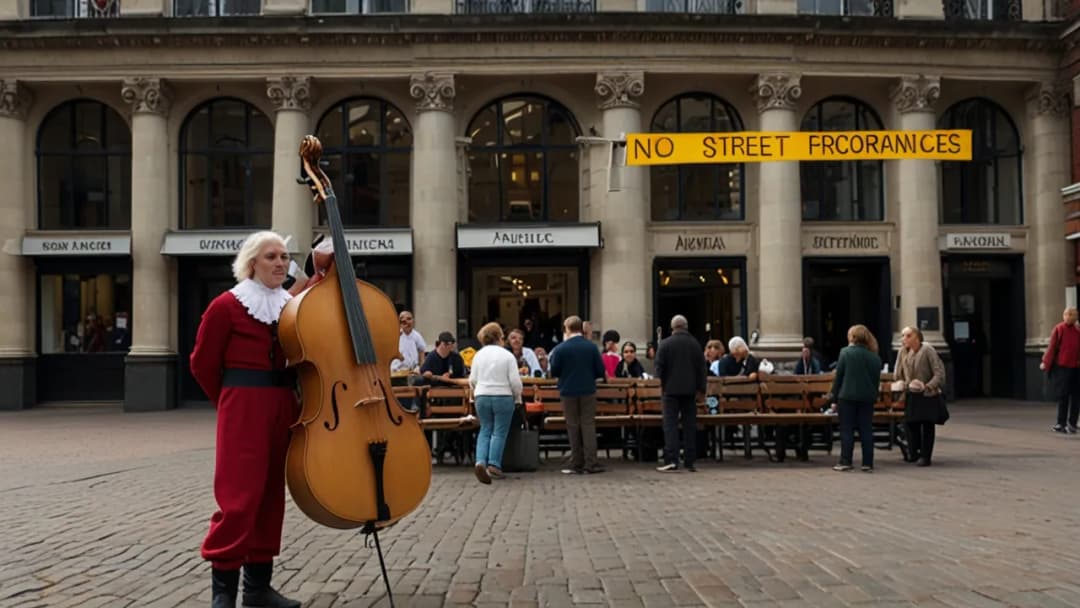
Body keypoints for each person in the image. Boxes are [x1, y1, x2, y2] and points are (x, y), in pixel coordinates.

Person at [189, 231, 301, 608]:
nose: (280, 263)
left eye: (285, 256)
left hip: (283, 405)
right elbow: (202, 363)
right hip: (243, 405)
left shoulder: (293, 306)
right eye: (271, 256)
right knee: (238, 498)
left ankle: (257, 590)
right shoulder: (226, 305)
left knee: (270, 496)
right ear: (253, 262)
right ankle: (223, 594)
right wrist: (230, 401)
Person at [549, 315, 607, 474]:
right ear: (581, 328)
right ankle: (591, 462)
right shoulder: (591, 347)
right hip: (588, 389)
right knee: (588, 425)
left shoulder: (560, 349)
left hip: (568, 391)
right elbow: (600, 371)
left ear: (566, 329)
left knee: (573, 426)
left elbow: (554, 371)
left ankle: (576, 462)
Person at [468, 322, 523, 483]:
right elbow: (515, 382)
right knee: (499, 432)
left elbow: (472, 379)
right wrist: (517, 396)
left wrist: (478, 389)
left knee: (485, 430)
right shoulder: (507, 356)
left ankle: (480, 461)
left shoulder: (478, 355)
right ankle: (494, 464)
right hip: (502, 395)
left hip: (482, 395)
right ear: (500, 337)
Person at [654, 315, 707, 473]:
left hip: (670, 391)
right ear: (686, 326)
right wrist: (701, 389)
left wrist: (661, 385)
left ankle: (672, 459)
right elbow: (701, 369)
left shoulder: (665, 344)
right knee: (689, 425)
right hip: (690, 391)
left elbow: (659, 368)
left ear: (673, 327)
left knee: (670, 425)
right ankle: (690, 460)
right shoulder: (695, 344)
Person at [830, 325, 882, 473]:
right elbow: (875, 381)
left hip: (847, 397)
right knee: (866, 429)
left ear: (853, 337)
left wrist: (834, 399)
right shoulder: (874, 357)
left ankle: (846, 460)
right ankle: (867, 462)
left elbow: (838, 378)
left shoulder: (845, 353)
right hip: (867, 398)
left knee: (847, 430)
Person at [894, 326, 947, 467]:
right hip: (913, 394)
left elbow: (939, 373)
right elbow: (899, 375)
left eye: (908, 335)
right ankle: (915, 452)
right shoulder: (906, 352)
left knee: (927, 425)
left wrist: (927, 386)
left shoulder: (927, 349)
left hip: (928, 395)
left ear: (917, 338)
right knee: (911, 423)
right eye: (903, 336)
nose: (904, 338)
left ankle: (926, 456)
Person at [1040, 307, 1080, 434]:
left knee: (1076, 397)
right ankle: (1061, 423)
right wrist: (1046, 362)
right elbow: (1052, 347)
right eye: (1067, 314)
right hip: (1063, 367)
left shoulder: (1078, 331)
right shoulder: (1059, 329)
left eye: (1072, 314)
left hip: (1076, 368)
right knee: (1063, 396)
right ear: (1063, 316)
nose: (1069, 316)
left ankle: (1072, 423)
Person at [391, 310, 426, 374]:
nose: (407, 322)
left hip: (412, 371)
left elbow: (421, 353)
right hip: (397, 371)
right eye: (404, 321)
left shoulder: (417, 335)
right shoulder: (395, 334)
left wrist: (422, 369)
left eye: (409, 319)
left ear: (413, 320)